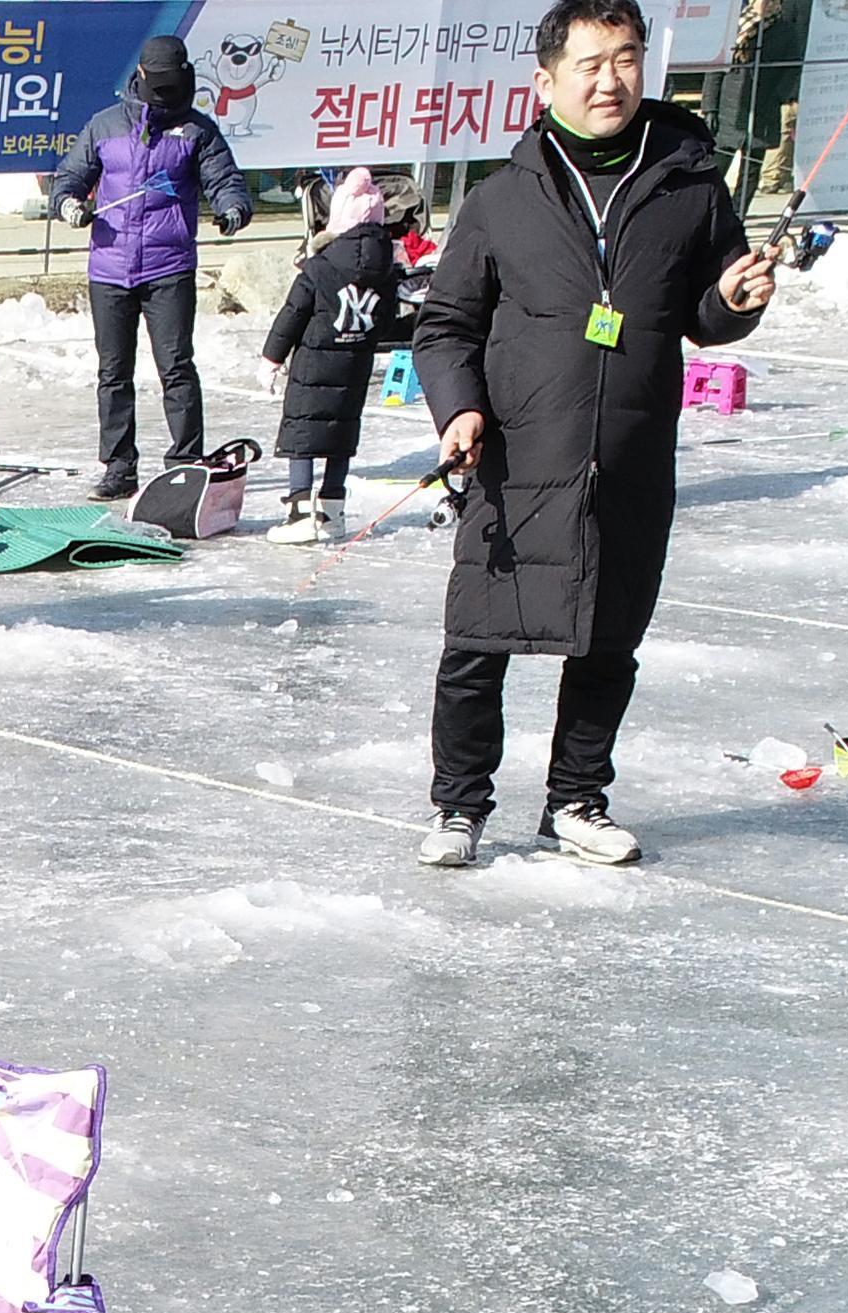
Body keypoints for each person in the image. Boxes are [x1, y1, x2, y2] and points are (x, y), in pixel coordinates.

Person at [411, 0, 773, 870]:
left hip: (633, 452)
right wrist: (458, 406)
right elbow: (446, 324)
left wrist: (732, 304)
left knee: (610, 641)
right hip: (521, 452)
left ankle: (576, 799)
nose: (610, 80)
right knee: (477, 643)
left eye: (626, 59)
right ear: (547, 81)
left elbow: (703, 314)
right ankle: (460, 807)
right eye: (590, 63)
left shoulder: (690, 185)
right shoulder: (503, 198)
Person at [42, 38, 254, 496]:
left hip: (169, 267)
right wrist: (69, 205)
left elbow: (225, 179)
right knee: (113, 373)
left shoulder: (197, 131)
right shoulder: (105, 126)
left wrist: (233, 208)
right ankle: (119, 467)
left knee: (176, 366)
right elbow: (68, 178)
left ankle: (185, 462)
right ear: (141, 77)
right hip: (110, 268)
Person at [259, 170, 409, 541]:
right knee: (341, 436)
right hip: (355, 367)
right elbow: (388, 319)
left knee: (303, 434)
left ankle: (299, 512)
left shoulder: (320, 267)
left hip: (312, 366)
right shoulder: (387, 271)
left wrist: (270, 359)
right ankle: (333, 511)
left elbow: (292, 315)